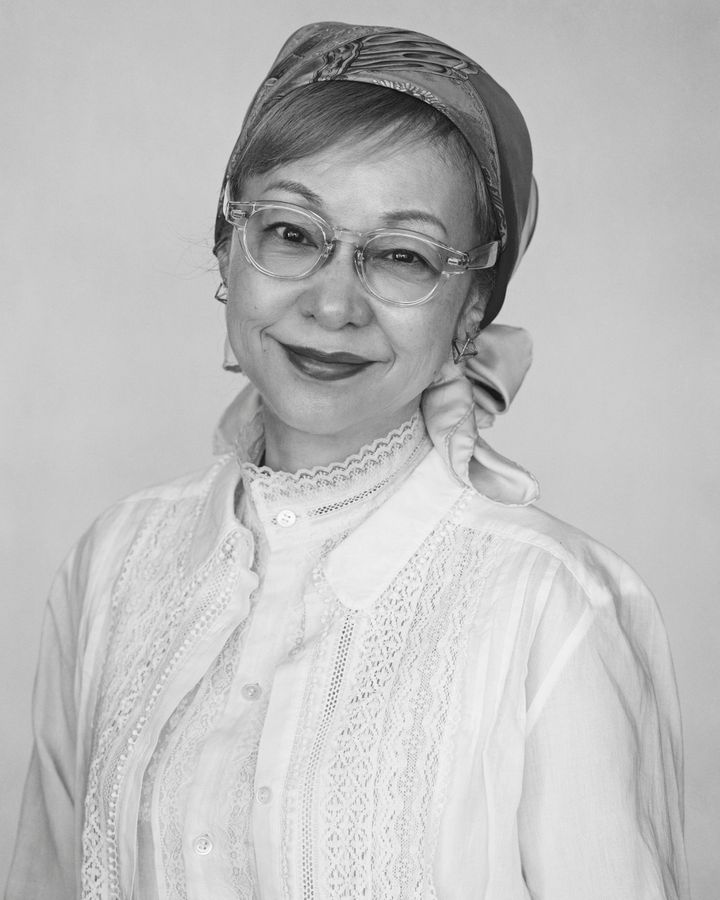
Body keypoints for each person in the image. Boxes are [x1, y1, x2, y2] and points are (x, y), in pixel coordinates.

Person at [6, 21, 689, 900]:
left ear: (471, 308)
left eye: (402, 256)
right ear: (227, 251)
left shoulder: (549, 605)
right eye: (293, 234)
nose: (333, 305)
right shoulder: (114, 564)